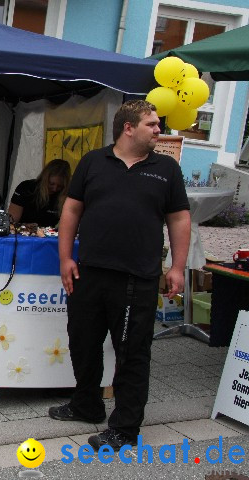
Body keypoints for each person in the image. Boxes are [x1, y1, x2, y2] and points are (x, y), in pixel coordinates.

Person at [47, 100, 190, 451]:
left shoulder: (167, 168)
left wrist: (176, 267)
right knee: (82, 342)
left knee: (132, 353)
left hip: (136, 278)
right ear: (128, 127)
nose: (159, 130)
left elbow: (179, 219)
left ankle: (125, 429)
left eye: (158, 124)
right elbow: (72, 209)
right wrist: (65, 258)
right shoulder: (94, 161)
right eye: (152, 124)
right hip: (89, 273)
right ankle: (86, 404)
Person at [7, 159, 71, 226]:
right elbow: (12, 220)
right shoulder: (26, 188)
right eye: (51, 184)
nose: (55, 189)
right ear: (44, 178)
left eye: (60, 186)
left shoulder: (66, 195)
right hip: (21, 233)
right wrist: (25, 226)